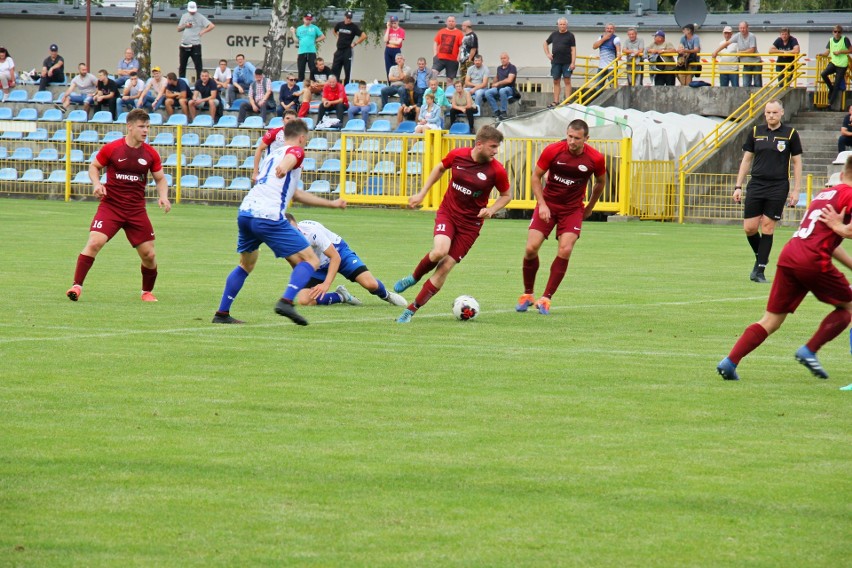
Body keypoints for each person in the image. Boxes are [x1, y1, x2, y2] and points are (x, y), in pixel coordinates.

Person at [716, 156, 852, 382]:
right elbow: (842, 231)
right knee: (848, 306)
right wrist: (840, 226)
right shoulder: (849, 194)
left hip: (791, 254)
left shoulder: (824, 194)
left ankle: (730, 362)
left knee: (771, 320)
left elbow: (827, 238)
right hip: (812, 258)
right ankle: (809, 350)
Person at [211, 119, 347, 326]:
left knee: (246, 264)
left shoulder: (271, 156)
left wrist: (332, 204)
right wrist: (286, 166)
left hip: (246, 212)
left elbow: (297, 195)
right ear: (301, 138)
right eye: (306, 140)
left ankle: (221, 313)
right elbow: (293, 157)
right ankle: (286, 302)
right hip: (268, 215)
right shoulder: (295, 152)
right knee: (311, 260)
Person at [393, 125, 512, 323]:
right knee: (440, 251)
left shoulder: (496, 170)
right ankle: (413, 277)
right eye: (492, 146)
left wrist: (491, 209)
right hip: (448, 213)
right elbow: (439, 168)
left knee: (445, 266)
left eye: (497, 147)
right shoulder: (458, 155)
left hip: (470, 225)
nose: (495, 151)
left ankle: (411, 310)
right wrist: (422, 193)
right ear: (479, 144)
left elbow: (506, 195)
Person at [66, 109, 171, 304]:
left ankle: (146, 291)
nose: (146, 130)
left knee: (149, 254)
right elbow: (94, 167)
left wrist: (163, 196)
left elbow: (160, 178)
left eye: (148, 127)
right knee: (94, 242)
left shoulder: (150, 154)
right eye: (141, 126)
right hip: (111, 207)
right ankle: (76, 286)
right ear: (129, 127)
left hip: (136, 210)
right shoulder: (112, 148)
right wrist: (97, 184)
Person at [517, 119, 607, 316]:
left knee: (565, 249)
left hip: (572, 209)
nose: (572, 141)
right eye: (569, 137)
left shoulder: (596, 158)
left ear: (586, 138)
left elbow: (600, 182)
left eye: (577, 138)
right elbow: (535, 176)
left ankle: (546, 298)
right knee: (531, 248)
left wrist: (590, 207)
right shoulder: (553, 150)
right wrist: (541, 204)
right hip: (548, 204)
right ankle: (528, 294)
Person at [733, 99, 803, 284]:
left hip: (778, 186)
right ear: (765, 114)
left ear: (781, 113)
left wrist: (796, 190)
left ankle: (760, 270)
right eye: (768, 112)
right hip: (756, 184)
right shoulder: (756, 132)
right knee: (749, 228)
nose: (771, 115)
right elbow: (746, 160)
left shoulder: (791, 134)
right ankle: (761, 257)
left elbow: (797, 163)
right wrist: (738, 186)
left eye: (774, 112)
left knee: (768, 227)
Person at [284, 213, 408, 308]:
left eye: (295, 230)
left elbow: (335, 257)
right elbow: (294, 262)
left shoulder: (312, 232)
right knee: (304, 300)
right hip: (317, 265)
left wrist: (325, 284)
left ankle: (387, 295)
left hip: (339, 253)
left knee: (371, 284)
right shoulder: (283, 242)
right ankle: (341, 296)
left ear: (297, 225)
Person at [251, 109, 298, 183]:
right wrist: (255, 172)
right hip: (270, 169)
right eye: (287, 118)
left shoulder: (297, 136)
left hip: (286, 170)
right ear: (282, 120)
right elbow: (259, 149)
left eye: (292, 119)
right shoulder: (274, 132)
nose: (289, 121)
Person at [713, 21, 761, 88]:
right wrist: (716, 51)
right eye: (741, 28)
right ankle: (748, 98)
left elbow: (752, 50)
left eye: (744, 28)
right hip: (746, 64)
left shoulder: (751, 36)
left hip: (756, 63)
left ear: (747, 28)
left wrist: (741, 53)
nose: (742, 30)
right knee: (746, 85)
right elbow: (727, 43)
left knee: (757, 84)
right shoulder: (738, 36)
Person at [177, 1, 214, 81]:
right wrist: (185, 26)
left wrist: (203, 31)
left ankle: (199, 83)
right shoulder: (184, 16)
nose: (192, 12)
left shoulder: (200, 17)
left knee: (198, 66)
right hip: (184, 45)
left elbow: (211, 26)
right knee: (182, 66)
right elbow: (178, 29)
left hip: (195, 45)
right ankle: (182, 82)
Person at [544, 18, 576, 104]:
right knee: (556, 80)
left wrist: (573, 62)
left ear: (566, 25)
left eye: (564, 24)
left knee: (567, 80)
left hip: (567, 62)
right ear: (558, 25)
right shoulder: (554, 34)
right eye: (561, 24)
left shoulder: (570, 35)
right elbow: (545, 43)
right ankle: (556, 101)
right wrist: (548, 54)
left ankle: (567, 101)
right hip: (556, 62)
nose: (562, 26)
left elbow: (573, 50)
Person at [820, 26, 851, 111]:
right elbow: (827, 52)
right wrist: (821, 54)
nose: (837, 33)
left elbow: (850, 50)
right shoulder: (830, 40)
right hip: (834, 62)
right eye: (835, 31)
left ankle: (830, 104)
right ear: (832, 32)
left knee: (837, 84)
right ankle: (831, 87)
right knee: (823, 74)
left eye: (839, 32)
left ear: (841, 33)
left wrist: (840, 51)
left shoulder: (845, 39)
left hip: (842, 64)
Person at [332, 10, 366, 86]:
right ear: (345, 17)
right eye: (347, 17)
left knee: (347, 70)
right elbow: (334, 30)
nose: (348, 19)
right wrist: (337, 36)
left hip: (347, 51)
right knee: (335, 69)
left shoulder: (354, 27)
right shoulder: (340, 24)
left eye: (350, 18)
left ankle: (346, 86)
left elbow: (364, 35)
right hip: (339, 50)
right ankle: (335, 85)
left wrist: (355, 43)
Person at [483, 52, 518, 121]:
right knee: (487, 92)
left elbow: (509, 80)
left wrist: (498, 83)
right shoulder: (499, 68)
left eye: (504, 58)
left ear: (508, 59)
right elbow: (497, 77)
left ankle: (503, 111)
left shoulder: (512, 67)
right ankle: (497, 111)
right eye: (501, 58)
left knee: (503, 90)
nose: (503, 60)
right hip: (499, 88)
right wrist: (493, 84)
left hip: (510, 89)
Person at [292, 13, 325, 82]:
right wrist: (293, 33)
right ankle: (301, 84)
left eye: (310, 20)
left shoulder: (314, 27)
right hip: (302, 52)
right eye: (307, 19)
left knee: (313, 69)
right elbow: (296, 41)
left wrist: (315, 41)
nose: (308, 21)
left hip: (311, 51)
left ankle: (313, 84)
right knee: (301, 70)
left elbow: (322, 36)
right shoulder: (299, 28)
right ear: (304, 19)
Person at [432, 15, 465, 80]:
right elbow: (435, 43)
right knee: (433, 74)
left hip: (452, 60)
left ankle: (449, 90)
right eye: (449, 21)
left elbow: (461, 46)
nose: (451, 23)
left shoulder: (459, 33)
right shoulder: (441, 31)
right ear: (446, 22)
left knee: (450, 80)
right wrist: (435, 54)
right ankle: (433, 89)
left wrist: (458, 57)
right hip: (440, 58)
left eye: (452, 21)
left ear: (455, 23)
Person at [591, 23, 621, 90]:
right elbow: (594, 46)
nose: (609, 30)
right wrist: (603, 39)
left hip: (612, 67)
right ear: (605, 29)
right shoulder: (600, 37)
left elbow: (618, 49)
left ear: (614, 30)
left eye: (611, 28)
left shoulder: (616, 38)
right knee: (598, 87)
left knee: (613, 87)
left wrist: (619, 53)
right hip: (601, 67)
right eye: (608, 28)